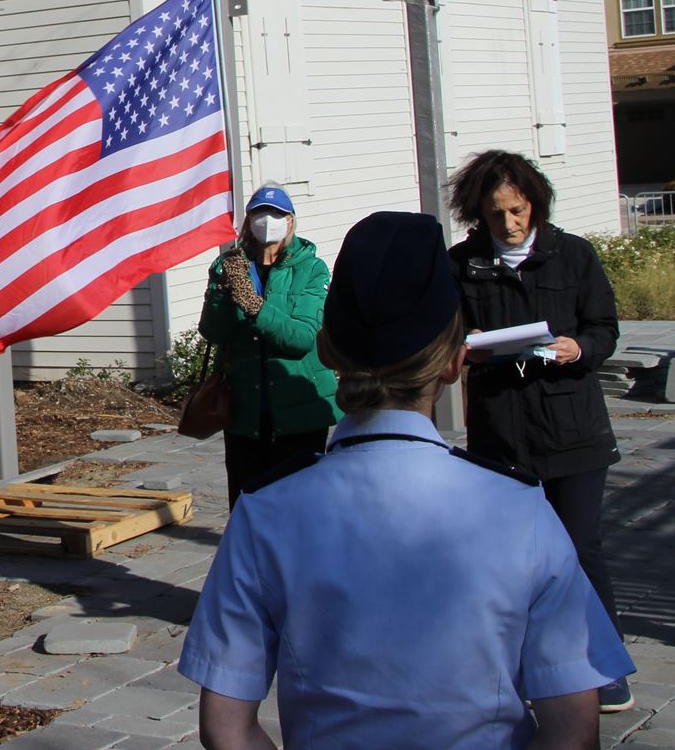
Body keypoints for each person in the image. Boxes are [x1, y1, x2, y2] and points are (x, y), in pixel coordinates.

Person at [178, 210, 633, 749]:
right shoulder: (518, 506)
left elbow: (225, 728)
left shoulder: (266, 510)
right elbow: (573, 728)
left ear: (327, 352)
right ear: (455, 363)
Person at [447, 149, 631, 712]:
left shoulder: (573, 255)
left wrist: (581, 348)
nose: (508, 223)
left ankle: (603, 665)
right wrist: (468, 347)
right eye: (496, 213)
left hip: (572, 430)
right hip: (501, 434)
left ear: (536, 203)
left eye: (518, 210)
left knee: (579, 550)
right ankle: (523, 663)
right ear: (477, 211)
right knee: (510, 557)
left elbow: (604, 328)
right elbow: (448, 338)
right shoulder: (462, 264)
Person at [196, 184, 339, 507]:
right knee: (248, 506)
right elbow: (214, 332)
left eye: (276, 214)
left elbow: (302, 337)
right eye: (259, 213)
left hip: (299, 412)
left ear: (290, 221)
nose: (267, 220)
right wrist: (220, 291)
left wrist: (257, 308)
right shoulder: (230, 264)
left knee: (298, 509)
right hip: (244, 413)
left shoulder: (311, 269)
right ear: (248, 221)